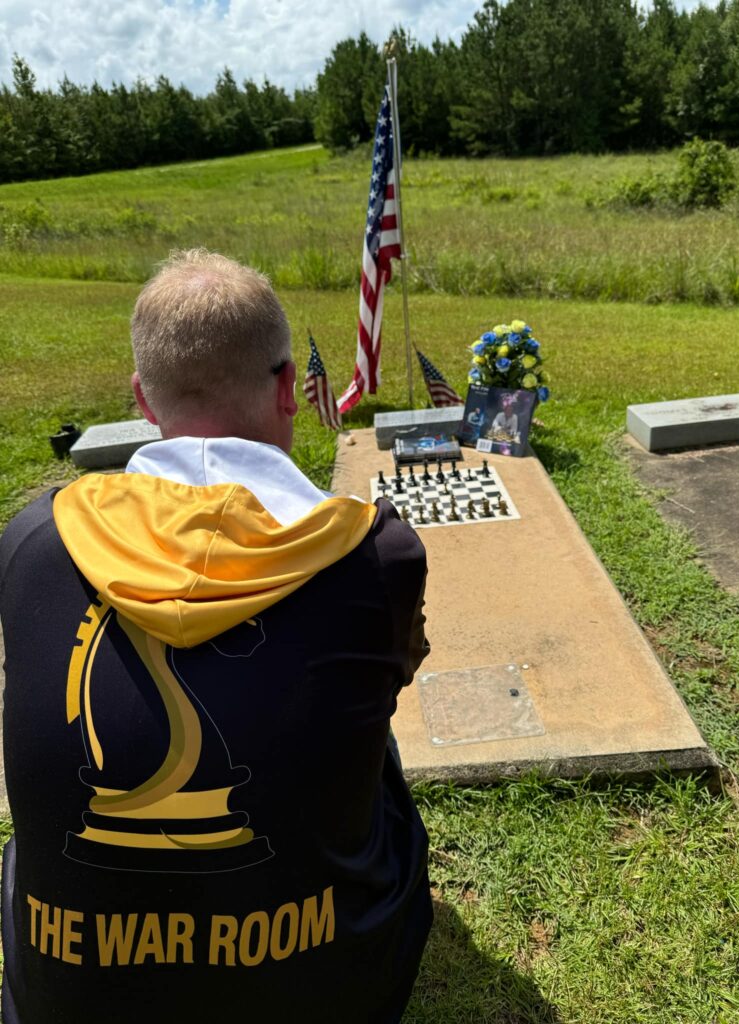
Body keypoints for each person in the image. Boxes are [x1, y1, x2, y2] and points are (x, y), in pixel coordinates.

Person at [0, 249, 432, 1024]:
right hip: (324, 991)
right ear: (288, 389)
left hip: (68, 999)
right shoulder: (377, 553)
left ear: (142, 398)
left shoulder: (33, 539)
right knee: (382, 745)